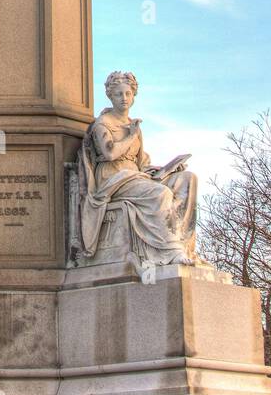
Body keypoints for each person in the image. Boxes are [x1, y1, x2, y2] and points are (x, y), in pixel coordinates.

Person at [77, 71, 198, 265]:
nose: (124, 98)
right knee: (160, 194)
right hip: (114, 177)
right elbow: (110, 154)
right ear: (110, 95)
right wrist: (131, 136)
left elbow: (142, 162)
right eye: (118, 94)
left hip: (136, 175)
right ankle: (170, 250)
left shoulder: (133, 126)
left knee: (187, 179)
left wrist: (168, 169)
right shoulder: (103, 123)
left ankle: (182, 242)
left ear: (133, 95)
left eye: (128, 94)